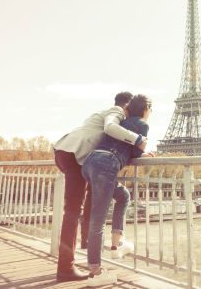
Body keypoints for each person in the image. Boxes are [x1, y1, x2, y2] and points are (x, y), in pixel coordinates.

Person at [53, 92, 147, 282]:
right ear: (127, 106)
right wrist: (138, 140)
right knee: (72, 211)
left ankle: (84, 247)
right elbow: (110, 127)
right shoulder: (117, 111)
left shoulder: (102, 113)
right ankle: (66, 267)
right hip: (74, 154)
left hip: (73, 155)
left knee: (80, 206)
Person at [81, 94, 153, 287]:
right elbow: (137, 152)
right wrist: (145, 153)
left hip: (90, 162)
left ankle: (116, 244)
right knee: (98, 219)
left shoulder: (123, 121)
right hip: (106, 164)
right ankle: (95, 271)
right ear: (146, 109)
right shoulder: (142, 124)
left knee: (123, 195)